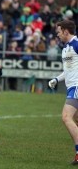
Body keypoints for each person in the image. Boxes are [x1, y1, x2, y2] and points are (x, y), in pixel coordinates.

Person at [48, 20, 78, 165]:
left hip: (77, 87)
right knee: (75, 120)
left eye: (59, 31)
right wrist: (56, 79)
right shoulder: (66, 48)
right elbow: (68, 71)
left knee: (66, 117)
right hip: (71, 87)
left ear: (66, 31)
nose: (57, 34)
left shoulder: (77, 44)